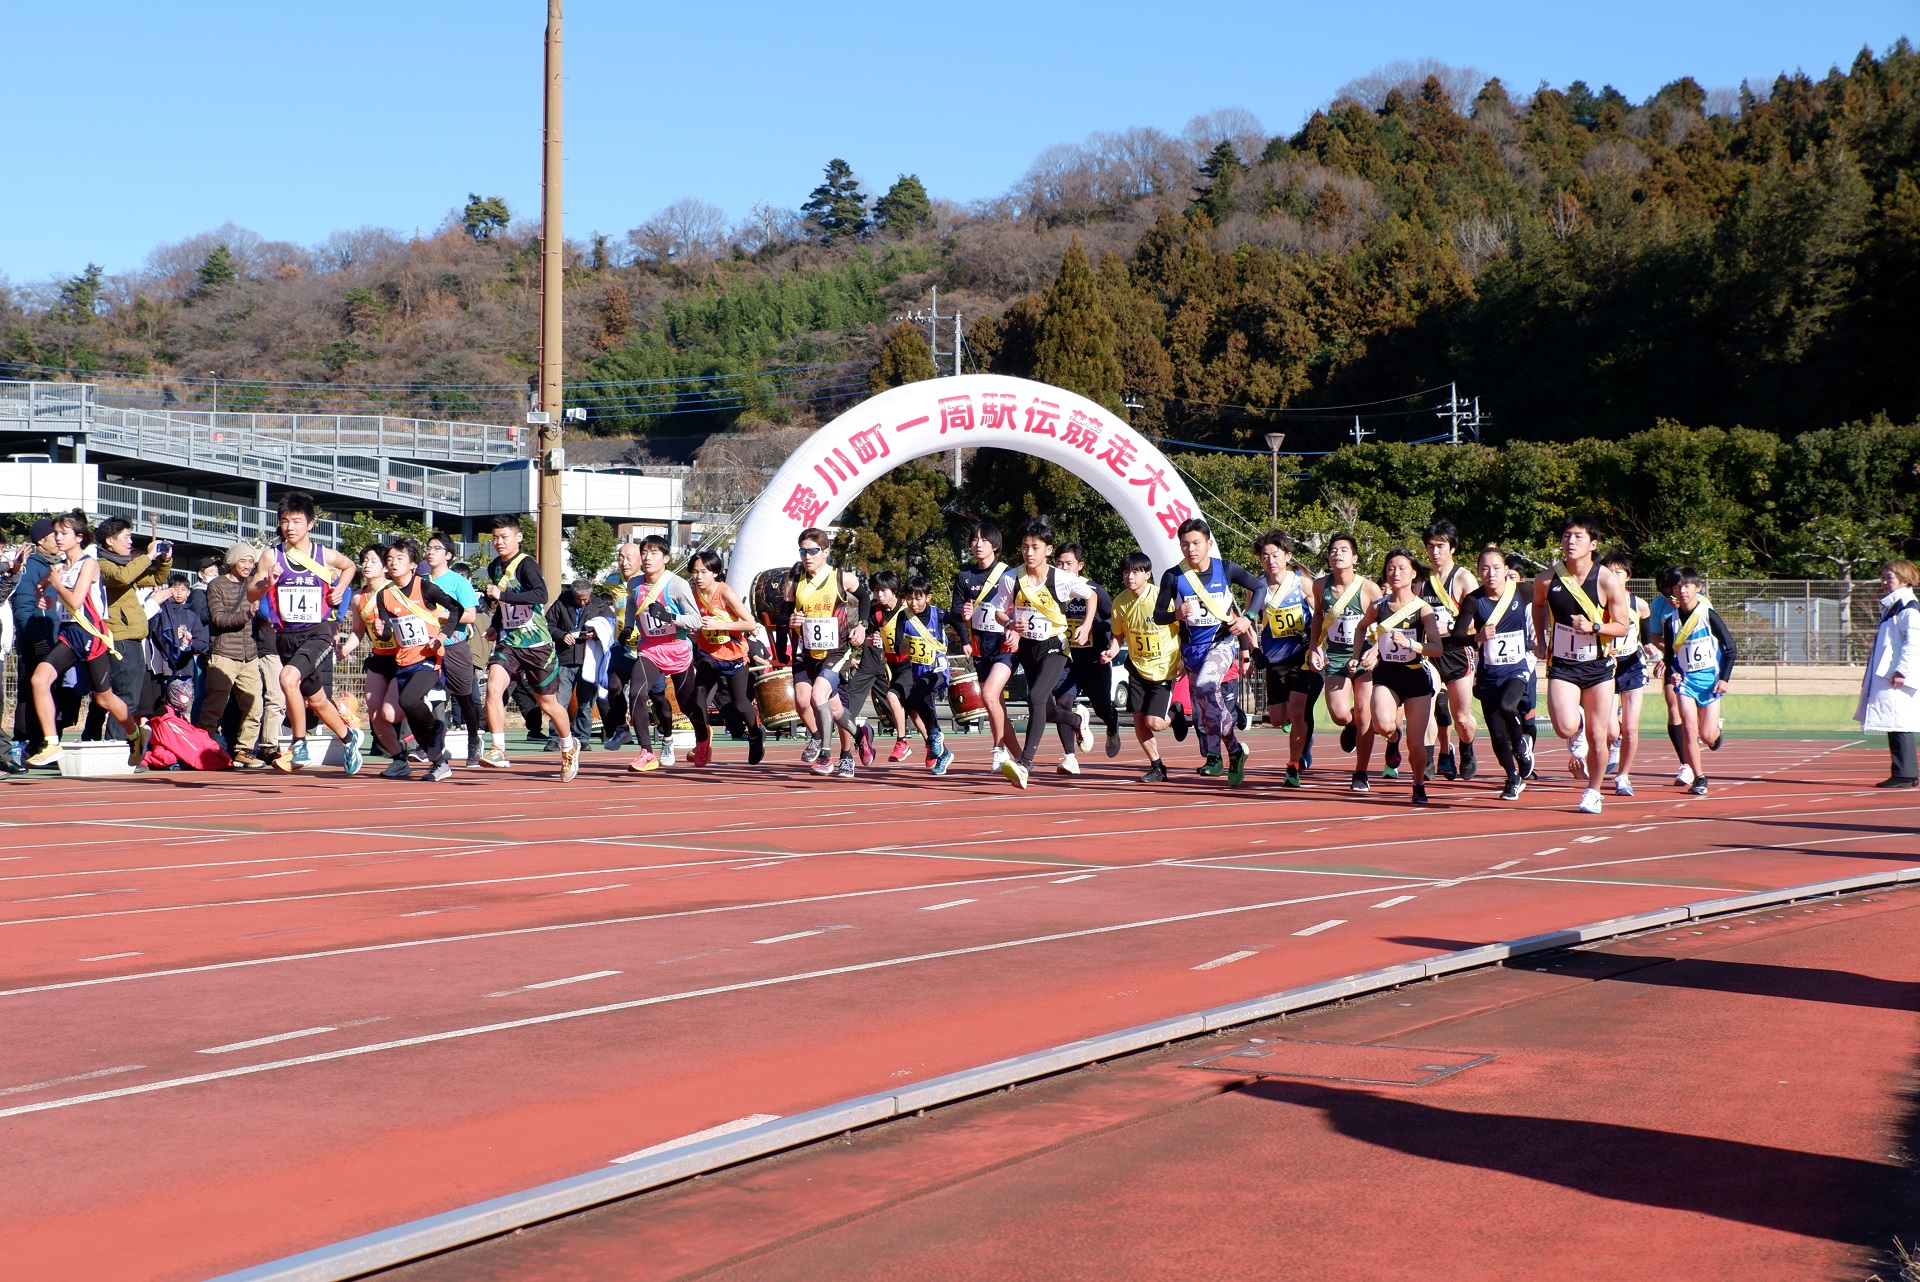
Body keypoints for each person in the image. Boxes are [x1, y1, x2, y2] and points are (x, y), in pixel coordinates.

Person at [246, 492, 365, 775]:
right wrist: (267, 582)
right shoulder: (271, 556)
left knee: (287, 679)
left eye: (296, 521)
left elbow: (349, 567)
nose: (290, 527)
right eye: (285, 521)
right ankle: (350, 739)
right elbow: (251, 593)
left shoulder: (324, 555)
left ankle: (298, 744)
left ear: (310, 524)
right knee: (316, 700)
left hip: (318, 632)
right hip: (286, 635)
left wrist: (338, 589)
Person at [26, 511, 148, 766]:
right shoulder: (59, 567)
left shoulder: (89, 563)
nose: (57, 538)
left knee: (104, 698)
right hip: (70, 632)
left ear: (79, 537)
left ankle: (135, 736)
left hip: (92, 634)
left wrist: (57, 586)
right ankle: (51, 743)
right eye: (55, 534)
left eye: (63, 533)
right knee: (39, 679)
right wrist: (45, 598)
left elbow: (75, 599)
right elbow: (45, 590)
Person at [1531, 514, 1633, 814]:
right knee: (1564, 727)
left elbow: (1623, 626)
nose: (1570, 541)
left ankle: (1593, 790)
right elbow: (1538, 605)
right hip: (1562, 664)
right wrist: (1540, 637)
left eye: (1577, 536)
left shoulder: (1606, 579)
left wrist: (1594, 628)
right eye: (1566, 536)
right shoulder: (1547, 579)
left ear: (1593, 543)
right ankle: (1578, 716)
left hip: (1598, 667)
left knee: (1598, 737)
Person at [988, 515, 1096, 788]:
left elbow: (1091, 596)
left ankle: (1024, 764)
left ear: (1048, 549)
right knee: (1045, 709)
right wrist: (1010, 622)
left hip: (1055, 647)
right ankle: (1076, 719)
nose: (1029, 553)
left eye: (1035, 547)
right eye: (1025, 547)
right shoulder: (1011, 578)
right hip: (1027, 649)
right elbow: (998, 612)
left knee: (1035, 697)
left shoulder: (1062, 579)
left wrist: (1085, 625)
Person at [1153, 518, 1260, 786]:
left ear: (1208, 543)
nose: (1191, 549)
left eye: (1196, 543)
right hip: (1192, 651)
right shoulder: (1172, 576)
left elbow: (1259, 587)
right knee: (1208, 705)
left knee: (1205, 688)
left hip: (1221, 644)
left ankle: (1221, 752)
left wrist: (1247, 617)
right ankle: (1228, 752)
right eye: (1185, 544)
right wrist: (1175, 614)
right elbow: (1157, 615)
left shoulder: (1225, 568)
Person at [479, 515, 579, 780]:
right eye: (495, 538)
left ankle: (569, 746)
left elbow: (540, 596)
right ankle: (498, 748)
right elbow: (503, 605)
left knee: (547, 704)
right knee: (493, 686)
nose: (499, 542)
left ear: (518, 537)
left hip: (537, 644)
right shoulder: (495, 568)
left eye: (504, 537)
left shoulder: (527, 565)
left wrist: (502, 596)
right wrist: (496, 624)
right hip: (510, 642)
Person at [371, 538, 463, 782]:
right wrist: (382, 630)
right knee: (410, 715)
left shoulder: (425, 587)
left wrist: (442, 636)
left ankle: (437, 728)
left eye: (399, 559)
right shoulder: (384, 595)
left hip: (429, 658)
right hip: (403, 661)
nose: (393, 564)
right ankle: (439, 763)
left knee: (409, 700)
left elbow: (457, 609)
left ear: (413, 564)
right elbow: (390, 632)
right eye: (389, 560)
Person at [786, 527, 869, 777]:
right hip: (807, 651)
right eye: (803, 551)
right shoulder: (795, 579)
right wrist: (791, 620)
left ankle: (830, 754)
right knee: (818, 704)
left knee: (820, 696)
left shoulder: (840, 577)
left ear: (825, 552)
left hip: (837, 651)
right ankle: (859, 735)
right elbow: (784, 615)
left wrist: (862, 626)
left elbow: (865, 598)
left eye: (813, 550)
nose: (807, 556)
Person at [619, 534, 703, 773]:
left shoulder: (677, 584)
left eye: (654, 553)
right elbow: (633, 607)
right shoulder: (634, 584)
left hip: (677, 650)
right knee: (636, 693)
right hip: (650, 650)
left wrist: (670, 618)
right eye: (644, 552)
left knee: (687, 706)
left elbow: (696, 619)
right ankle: (647, 752)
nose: (647, 557)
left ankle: (702, 736)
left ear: (665, 558)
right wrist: (627, 628)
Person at [1458, 545, 1535, 800]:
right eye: (1485, 568)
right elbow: (1458, 636)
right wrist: (1477, 636)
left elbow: (1547, 601)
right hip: (1489, 673)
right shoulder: (1474, 600)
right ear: (1479, 572)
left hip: (1516, 669)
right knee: (1496, 734)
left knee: (1507, 706)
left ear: (1506, 571)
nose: (1491, 573)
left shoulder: (1522, 591)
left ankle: (1521, 746)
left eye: (1496, 568)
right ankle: (1513, 778)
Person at [86, 514, 172, 741]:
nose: (130, 541)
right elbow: (122, 578)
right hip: (120, 638)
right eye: (126, 537)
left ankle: (104, 743)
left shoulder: (126, 564)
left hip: (132, 638)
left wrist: (164, 559)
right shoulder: (102, 565)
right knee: (125, 697)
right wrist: (148, 556)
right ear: (109, 541)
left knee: (120, 696)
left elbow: (156, 579)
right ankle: (116, 747)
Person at [1310, 533, 1383, 792]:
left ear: (1355, 558)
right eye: (1333, 550)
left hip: (1365, 654)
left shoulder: (1369, 588)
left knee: (1365, 713)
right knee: (1340, 715)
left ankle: (1361, 772)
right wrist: (1314, 648)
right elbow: (1318, 617)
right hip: (1338, 655)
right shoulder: (1320, 586)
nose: (1337, 554)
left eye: (1343, 550)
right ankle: (1350, 725)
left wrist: (1375, 652)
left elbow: (1384, 624)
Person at [1104, 550, 1180, 782]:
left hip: (1163, 669)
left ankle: (1175, 713)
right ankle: (1157, 766)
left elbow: (1182, 628)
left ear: (1147, 574)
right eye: (1126, 572)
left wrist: (1184, 659)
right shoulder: (1119, 602)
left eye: (1136, 572)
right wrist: (1110, 651)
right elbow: (1118, 636)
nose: (1130, 577)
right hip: (1137, 667)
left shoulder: (1162, 598)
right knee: (1138, 718)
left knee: (1154, 722)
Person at [1249, 529, 1316, 788]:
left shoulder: (1301, 582)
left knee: (1298, 713)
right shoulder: (1257, 586)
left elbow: (1319, 612)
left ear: (1287, 556)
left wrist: (1313, 639)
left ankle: (1293, 765)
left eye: (1275, 555)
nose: (1271, 561)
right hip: (1273, 659)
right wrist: (1253, 651)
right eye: (1265, 556)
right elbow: (1249, 621)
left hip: (1301, 655)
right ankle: (1297, 734)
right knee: (1278, 718)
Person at [688, 548, 766, 765]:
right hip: (708, 654)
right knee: (698, 696)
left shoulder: (725, 593)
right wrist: (695, 633)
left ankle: (754, 733)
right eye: (695, 572)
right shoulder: (692, 593)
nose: (699, 577)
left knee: (740, 703)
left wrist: (718, 625)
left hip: (734, 655)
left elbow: (750, 623)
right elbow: (694, 621)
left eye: (704, 572)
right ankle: (702, 741)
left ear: (714, 572)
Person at [1662, 566, 1735, 797]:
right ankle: (1699, 777)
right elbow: (1669, 657)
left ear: (1697, 588)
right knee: (1689, 729)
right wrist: (1673, 671)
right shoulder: (1670, 622)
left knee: (1706, 735)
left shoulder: (1708, 615)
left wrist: (1724, 679)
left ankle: (1715, 733)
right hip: (1685, 683)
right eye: (1677, 587)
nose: (1682, 591)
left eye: (1686, 586)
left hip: (1711, 683)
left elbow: (1731, 649)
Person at [950, 523, 1018, 767]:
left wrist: (1015, 629)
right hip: (981, 648)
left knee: (988, 695)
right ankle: (1021, 759)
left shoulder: (1009, 574)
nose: (978, 544)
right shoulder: (964, 577)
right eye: (974, 540)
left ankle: (998, 748)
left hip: (1006, 646)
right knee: (994, 705)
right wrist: (964, 617)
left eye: (984, 540)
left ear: (995, 545)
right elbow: (955, 613)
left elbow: (1020, 606)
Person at [9, 518, 74, 769]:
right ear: (41, 540)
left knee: (51, 693)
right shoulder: (31, 567)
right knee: (30, 692)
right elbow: (24, 605)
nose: (58, 539)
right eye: (53, 535)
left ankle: (44, 745)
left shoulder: (55, 566)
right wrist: (34, 637)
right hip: (37, 640)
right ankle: (27, 744)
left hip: (53, 638)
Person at [1421, 520, 1480, 782]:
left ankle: (1466, 748)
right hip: (1429, 652)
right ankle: (1428, 759)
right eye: (1431, 546)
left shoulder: (1463, 577)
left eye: (1441, 546)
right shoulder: (1421, 580)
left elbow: (1481, 618)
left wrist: (1454, 626)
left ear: (1452, 548)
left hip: (1458, 652)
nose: (1435, 552)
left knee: (1461, 717)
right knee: (1428, 706)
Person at [200, 543, 267, 768]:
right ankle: (204, 747)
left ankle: (244, 750)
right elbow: (218, 619)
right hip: (224, 654)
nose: (248, 566)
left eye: (251, 561)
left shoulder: (254, 585)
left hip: (250, 655)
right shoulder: (216, 585)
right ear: (232, 562)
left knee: (255, 704)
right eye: (243, 561)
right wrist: (246, 614)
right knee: (215, 705)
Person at [1856, 559, 1919, 789]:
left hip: (1897, 675)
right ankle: (1904, 773)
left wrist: (1902, 669)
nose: (1883, 582)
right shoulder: (1894, 606)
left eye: (1888, 578)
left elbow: (1913, 642)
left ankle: (1905, 774)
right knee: (1895, 722)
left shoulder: (1908, 607)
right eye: (1882, 577)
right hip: (1890, 674)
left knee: (1899, 721)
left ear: (1903, 579)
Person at [1055, 542, 1121, 759]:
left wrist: (1092, 626)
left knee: (1102, 708)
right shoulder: (1050, 589)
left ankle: (1112, 727)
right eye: (1059, 563)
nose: (1064, 568)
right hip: (1068, 661)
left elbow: (1114, 620)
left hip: (1095, 661)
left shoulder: (1095, 590)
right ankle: (1069, 757)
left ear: (1080, 565)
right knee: (1063, 703)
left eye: (1069, 564)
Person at [885, 573, 954, 774]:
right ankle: (943, 751)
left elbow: (958, 621)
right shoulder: (903, 616)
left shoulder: (938, 614)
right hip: (917, 669)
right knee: (921, 704)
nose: (914, 603)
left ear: (928, 597)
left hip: (938, 668)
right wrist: (903, 648)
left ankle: (934, 736)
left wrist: (966, 642)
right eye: (910, 598)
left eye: (918, 598)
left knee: (916, 697)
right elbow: (898, 646)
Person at [424, 534, 483, 767]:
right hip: (426, 648)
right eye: (428, 548)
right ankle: (432, 745)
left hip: (454, 647)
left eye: (436, 548)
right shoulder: (420, 580)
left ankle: (473, 741)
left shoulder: (459, 582)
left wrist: (444, 614)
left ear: (448, 555)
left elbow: (470, 615)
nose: (430, 552)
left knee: (465, 698)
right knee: (430, 699)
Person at [1600, 549, 1652, 796]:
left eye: (1618, 572)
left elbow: (1647, 631)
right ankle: (1615, 742)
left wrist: (1652, 646)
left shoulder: (1638, 604)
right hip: (1607, 666)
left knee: (1631, 727)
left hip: (1632, 665)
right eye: (1608, 572)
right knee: (1611, 730)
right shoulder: (1598, 603)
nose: (1613, 576)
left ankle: (1623, 776)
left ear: (1628, 576)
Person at [549, 578, 614, 752]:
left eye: (585, 598)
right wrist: (561, 635)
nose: (583, 602)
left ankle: (581, 737)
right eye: (579, 599)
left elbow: (611, 625)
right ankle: (555, 737)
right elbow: (548, 625)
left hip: (590, 661)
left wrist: (596, 633)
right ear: (573, 594)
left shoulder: (600, 606)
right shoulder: (561, 603)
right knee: (560, 701)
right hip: (565, 659)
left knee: (586, 703)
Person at [597, 541, 645, 753]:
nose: (623, 562)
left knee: (652, 697)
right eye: (620, 557)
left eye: (629, 557)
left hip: (647, 648)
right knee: (613, 686)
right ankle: (621, 729)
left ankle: (667, 737)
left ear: (641, 559)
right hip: (622, 645)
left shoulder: (649, 582)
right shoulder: (612, 581)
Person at [148, 571, 208, 721]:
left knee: (182, 705)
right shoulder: (161, 612)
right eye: (175, 589)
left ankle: (178, 733)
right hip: (164, 668)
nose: (179, 593)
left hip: (185, 669)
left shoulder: (192, 616)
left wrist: (190, 644)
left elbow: (202, 642)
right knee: (161, 705)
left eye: (183, 590)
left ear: (189, 593)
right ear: (169, 590)